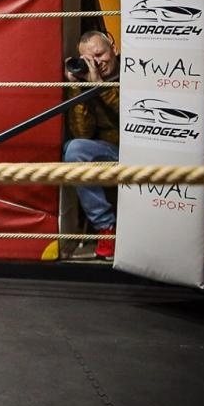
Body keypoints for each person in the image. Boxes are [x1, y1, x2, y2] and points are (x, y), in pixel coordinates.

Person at [62, 29, 121, 259]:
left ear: (114, 49)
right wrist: (79, 88)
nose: (98, 63)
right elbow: (82, 133)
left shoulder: (135, 69)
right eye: (90, 60)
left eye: (101, 54)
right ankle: (107, 230)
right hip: (113, 152)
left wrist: (102, 90)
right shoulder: (89, 80)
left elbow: (135, 116)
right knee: (73, 149)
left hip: (146, 147)